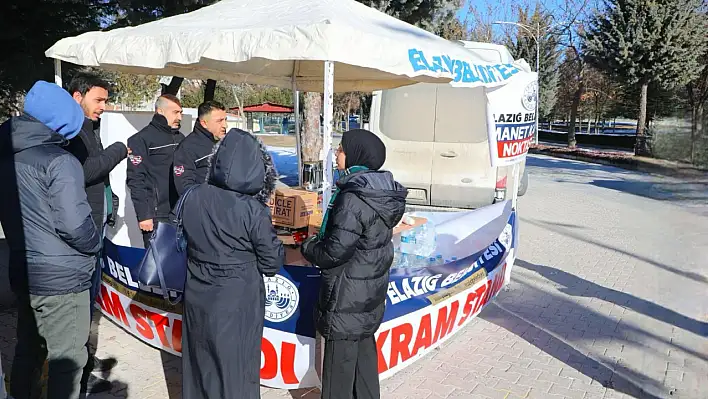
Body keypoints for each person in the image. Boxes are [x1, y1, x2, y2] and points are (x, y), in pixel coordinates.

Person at [0, 81, 102, 399]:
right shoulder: (60, 161)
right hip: (63, 281)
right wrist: (95, 243)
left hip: (23, 270)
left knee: (28, 350)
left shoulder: (7, 157)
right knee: (67, 361)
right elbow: (74, 225)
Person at [301, 129, 407, 399]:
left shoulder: (353, 196)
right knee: (363, 367)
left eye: (341, 149)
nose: (337, 154)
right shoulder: (380, 192)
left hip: (346, 297)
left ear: (355, 154)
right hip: (367, 295)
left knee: (338, 376)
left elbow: (334, 251)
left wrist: (309, 246)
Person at [180, 129, 283, 399]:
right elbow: (272, 261)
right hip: (237, 298)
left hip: (196, 290)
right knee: (236, 369)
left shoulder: (193, 195)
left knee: (199, 361)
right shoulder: (252, 209)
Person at [65, 72, 127, 393]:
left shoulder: (90, 128)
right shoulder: (72, 133)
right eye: (98, 99)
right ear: (78, 97)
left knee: (90, 303)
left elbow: (98, 179)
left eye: (105, 100)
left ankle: (86, 361)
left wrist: (111, 200)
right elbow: (87, 171)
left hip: (96, 227)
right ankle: (80, 372)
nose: (104, 106)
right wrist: (118, 150)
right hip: (83, 233)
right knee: (82, 305)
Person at [126, 94, 184, 248]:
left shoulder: (181, 138)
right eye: (175, 112)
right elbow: (135, 179)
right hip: (157, 215)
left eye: (181, 113)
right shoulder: (141, 139)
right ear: (160, 111)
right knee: (157, 266)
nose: (180, 117)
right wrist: (144, 214)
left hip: (180, 212)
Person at [172, 100, 227, 195]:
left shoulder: (224, 143)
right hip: (204, 206)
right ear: (204, 123)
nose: (225, 125)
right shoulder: (187, 148)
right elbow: (185, 189)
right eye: (219, 121)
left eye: (225, 120)